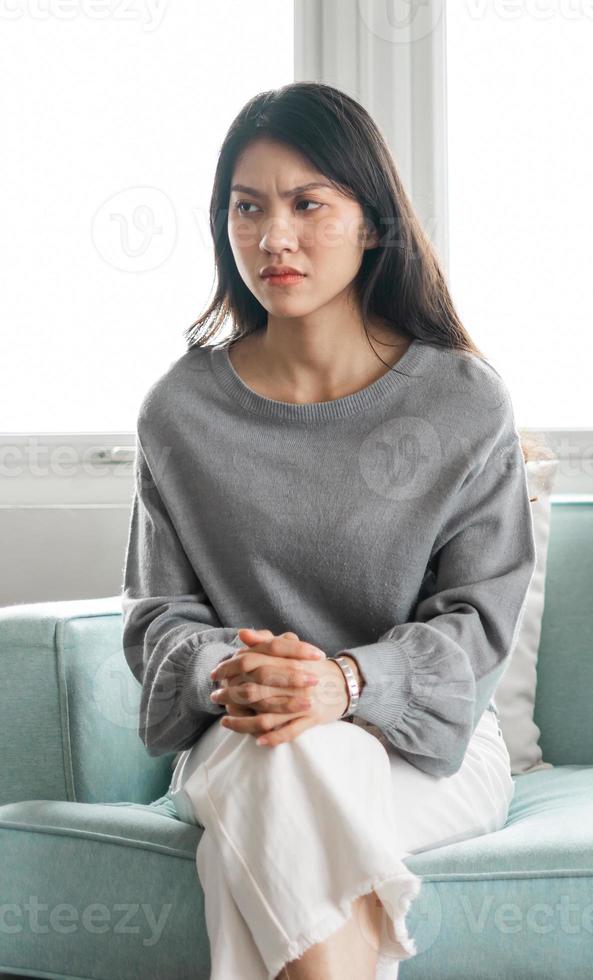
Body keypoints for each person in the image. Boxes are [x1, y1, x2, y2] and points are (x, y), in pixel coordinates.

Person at [121, 81, 538, 980]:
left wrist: (344, 682)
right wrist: (250, 677)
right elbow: (157, 619)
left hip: (431, 747)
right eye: (248, 208)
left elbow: (478, 628)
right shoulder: (181, 411)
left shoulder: (461, 399)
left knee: (271, 807)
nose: (273, 237)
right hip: (241, 727)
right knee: (282, 760)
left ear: (373, 222)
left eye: (308, 204)